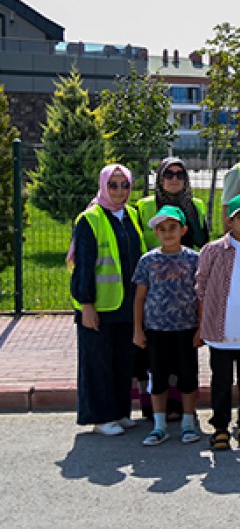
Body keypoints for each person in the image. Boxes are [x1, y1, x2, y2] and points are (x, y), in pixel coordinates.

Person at [70, 164, 145, 436]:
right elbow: (84, 265)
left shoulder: (131, 215)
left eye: (124, 185)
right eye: (113, 185)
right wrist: (86, 305)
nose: (120, 191)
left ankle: (119, 412)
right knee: (97, 362)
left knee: (123, 361)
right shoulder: (90, 219)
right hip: (99, 306)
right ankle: (101, 417)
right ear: (103, 186)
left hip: (126, 303)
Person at [196, 194, 240, 450]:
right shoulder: (214, 250)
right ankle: (220, 427)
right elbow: (201, 285)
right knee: (222, 381)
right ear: (230, 220)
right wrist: (202, 322)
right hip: (221, 329)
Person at [130, 205, 201, 445]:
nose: (168, 233)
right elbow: (140, 297)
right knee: (158, 377)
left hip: (186, 328)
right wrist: (138, 330)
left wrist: (201, 328)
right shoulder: (148, 260)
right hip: (156, 329)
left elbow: (201, 295)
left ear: (183, 230)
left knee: (188, 376)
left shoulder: (193, 259)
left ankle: (188, 422)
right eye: (162, 229)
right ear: (156, 233)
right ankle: (159, 425)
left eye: (173, 227)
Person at [136, 157, 209, 250]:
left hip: (190, 262)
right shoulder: (144, 206)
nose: (175, 179)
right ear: (161, 178)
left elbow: (203, 241)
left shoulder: (196, 205)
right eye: (169, 174)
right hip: (154, 262)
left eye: (180, 175)